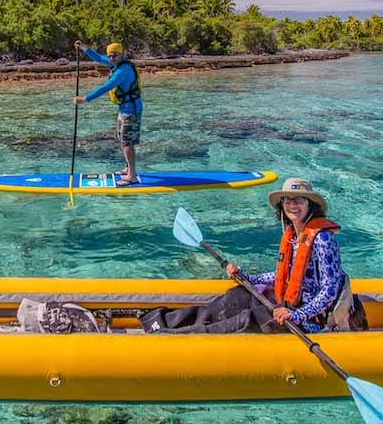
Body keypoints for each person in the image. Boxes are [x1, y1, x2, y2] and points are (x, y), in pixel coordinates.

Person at [140, 178, 362, 334]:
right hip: (284, 303)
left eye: (299, 200)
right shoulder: (293, 235)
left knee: (244, 320)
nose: (292, 205)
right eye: (288, 200)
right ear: (282, 206)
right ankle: (160, 322)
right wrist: (248, 277)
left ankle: (177, 337)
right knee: (234, 298)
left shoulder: (323, 240)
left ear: (310, 205)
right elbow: (283, 275)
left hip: (307, 319)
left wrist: (297, 315)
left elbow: (329, 291)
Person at [72, 40, 143, 186]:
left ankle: (132, 175)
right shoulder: (115, 64)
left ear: (121, 54)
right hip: (124, 109)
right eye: (110, 56)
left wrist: (85, 99)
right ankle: (127, 168)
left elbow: (106, 87)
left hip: (131, 110)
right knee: (122, 140)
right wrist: (83, 47)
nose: (111, 58)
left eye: (115, 55)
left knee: (127, 142)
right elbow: (98, 58)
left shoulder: (123, 71)